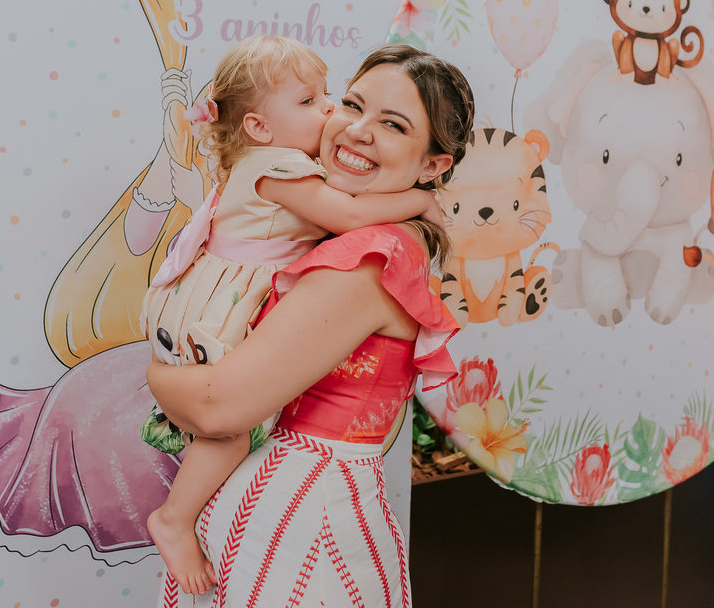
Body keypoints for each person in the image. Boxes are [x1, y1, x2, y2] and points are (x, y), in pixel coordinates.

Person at [146, 44, 475, 607]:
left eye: (393, 124)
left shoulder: (371, 257)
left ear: (432, 166)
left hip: (300, 529)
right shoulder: (327, 225)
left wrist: (156, 374)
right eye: (353, 104)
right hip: (271, 516)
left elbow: (216, 408)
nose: (357, 131)